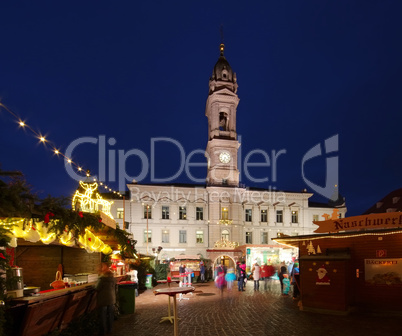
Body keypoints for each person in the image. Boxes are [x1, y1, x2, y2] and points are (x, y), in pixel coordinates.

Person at [96, 262, 117, 336]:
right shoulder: (113, 279)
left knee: (103, 316)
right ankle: (110, 329)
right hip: (112, 299)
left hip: (103, 299)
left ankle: (102, 331)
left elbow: (97, 288)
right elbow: (115, 288)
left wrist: (93, 286)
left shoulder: (102, 279)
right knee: (110, 315)